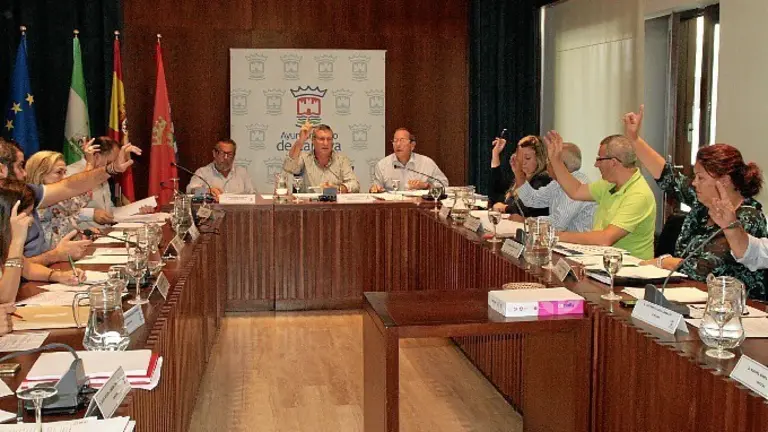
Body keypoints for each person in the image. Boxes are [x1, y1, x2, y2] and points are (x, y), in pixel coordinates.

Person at [623, 106, 768, 297]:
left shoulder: (748, 217)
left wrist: (661, 262)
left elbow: (703, 268)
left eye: (701, 177)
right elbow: (668, 177)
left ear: (724, 181)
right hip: (689, 294)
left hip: (735, 305)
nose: (694, 182)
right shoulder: (705, 204)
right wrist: (634, 139)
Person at [0, 137, 141, 265]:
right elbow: (14, 267)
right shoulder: (18, 197)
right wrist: (56, 256)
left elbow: (70, 187)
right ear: (2, 169)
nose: (24, 173)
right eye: (20, 166)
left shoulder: (27, 192)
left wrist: (112, 168)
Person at [546, 131, 656, 259]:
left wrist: (558, 236)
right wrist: (555, 160)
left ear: (613, 162)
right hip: (602, 258)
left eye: (599, 159)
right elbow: (576, 190)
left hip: (629, 266)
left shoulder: (639, 195)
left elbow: (605, 238)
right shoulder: (609, 184)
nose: (596, 164)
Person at [0, 181, 85, 301]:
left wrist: (59, 276)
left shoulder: (4, 240)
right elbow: (5, 298)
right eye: (27, 215)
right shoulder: (14, 241)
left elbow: (27, 268)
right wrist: (17, 241)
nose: (31, 220)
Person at [516, 142, 596, 232]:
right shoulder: (557, 183)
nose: (547, 166)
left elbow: (558, 223)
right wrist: (518, 173)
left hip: (578, 240)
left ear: (561, 165)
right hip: (563, 238)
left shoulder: (579, 184)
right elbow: (532, 199)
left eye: (549, 161)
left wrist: (526, 220)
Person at [26, 151, 93, 247]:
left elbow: (82, 196)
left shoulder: (60, 199)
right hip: (49, 255)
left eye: (65, 172)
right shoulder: (33, 201)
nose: (65, 177)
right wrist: (90, 164)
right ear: (40, 174)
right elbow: (82, 192)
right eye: (59, 172)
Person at [283, 122, 360, 193]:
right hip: (309, 203)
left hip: (334, 202)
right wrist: (300, 141)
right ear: (313, 141)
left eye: (329, 139)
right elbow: (289, 167)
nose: (326, 143)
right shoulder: (304, 158)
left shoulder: (342, 160)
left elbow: (355, 185)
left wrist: (338, 189)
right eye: (321, 139)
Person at [490, 135, 552, 221]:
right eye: (520, 158)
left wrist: (505, 208)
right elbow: (497, 193)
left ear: (539, 158)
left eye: (527, 158)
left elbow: (525, 209)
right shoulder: (522, 177)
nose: (523, 162)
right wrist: (495, 154)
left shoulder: (543, 179)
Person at [369, 128, 448, 192]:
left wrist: (426, 185)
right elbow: (376, 189)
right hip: (393, 206)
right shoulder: (382, 165)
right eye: (395, 141)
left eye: (402, 140)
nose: (398, 144)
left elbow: (444, 185)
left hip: (419, 205)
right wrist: (375, 189)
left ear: (412, 145)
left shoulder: (426, 163)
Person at [186, 139, 256, 200]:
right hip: (212, 211)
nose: (225, 157)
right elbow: (190, 191)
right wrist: (206, 191)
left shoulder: (242, 173)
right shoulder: (202, 172)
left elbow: (253, 195)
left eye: (229, 154)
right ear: (214, 153)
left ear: (234, 156)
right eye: (222, 153)